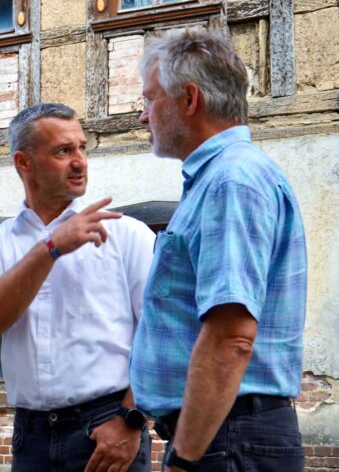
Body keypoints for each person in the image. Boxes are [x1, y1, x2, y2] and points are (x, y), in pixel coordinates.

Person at [131, 28, 307, 471]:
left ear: (189, 100)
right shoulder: (223, 178)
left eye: (150, 100)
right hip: (224, 437)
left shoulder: (231, 181)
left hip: (226, 443)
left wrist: (184, 461)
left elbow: (231, 338)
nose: (142, 117)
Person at [0, 103, 156, 471]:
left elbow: (159, 335)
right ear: (23, 163)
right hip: (31, 435)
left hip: (107, 427)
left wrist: (131, 421)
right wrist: (50, 249)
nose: (79, 161)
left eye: (82, 147)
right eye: (63, 151)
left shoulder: (127, 234)